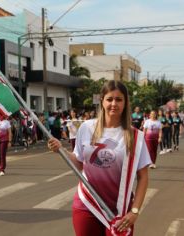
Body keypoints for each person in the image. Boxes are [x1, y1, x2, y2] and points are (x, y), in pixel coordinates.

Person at [48, 80, 151, 236]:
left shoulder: (135, 136)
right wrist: (60, 149)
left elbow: (143, 177)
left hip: (119, 210)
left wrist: (135, 211)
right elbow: (79, 163)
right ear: (102, 100)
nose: (114, 104)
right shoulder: (87, 128)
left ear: (125, 103)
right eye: (109, 99)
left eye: (119, 99)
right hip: (87, 205)